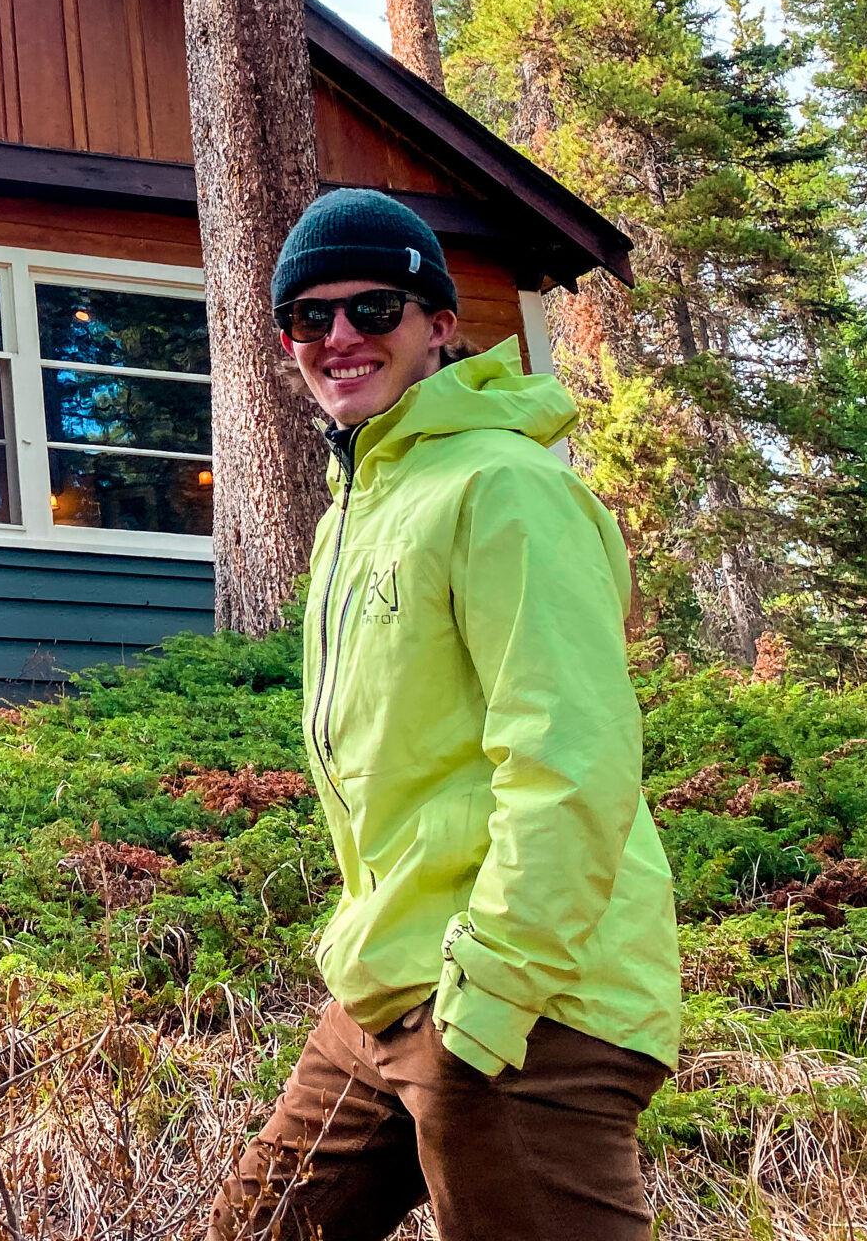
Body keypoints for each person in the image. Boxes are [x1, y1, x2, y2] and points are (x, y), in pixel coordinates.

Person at [213, 189, 681, 1241]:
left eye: (373, 308)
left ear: (438, 326)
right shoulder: (364, 505)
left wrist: (495, 990)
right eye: (307, 318)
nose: (337, 337)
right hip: (388, 983)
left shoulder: (503, 489)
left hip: (527, 1002)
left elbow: (570, 756)